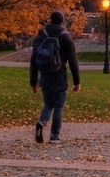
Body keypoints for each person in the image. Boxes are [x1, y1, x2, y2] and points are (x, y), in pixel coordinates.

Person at [29, 11, 80, 144]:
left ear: (50, 20)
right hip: (59, 76)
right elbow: (73, 60)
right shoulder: (65, 37)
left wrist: (33, 81)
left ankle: (42, 122)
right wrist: (77, 81)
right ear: (62, 21)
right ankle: (54, 135)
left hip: (45, 76)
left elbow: (34, 59)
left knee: (48, 104)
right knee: (58, 106)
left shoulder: (41, 36)